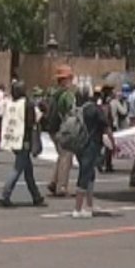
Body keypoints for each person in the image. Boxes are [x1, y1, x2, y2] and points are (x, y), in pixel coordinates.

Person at [0, 81, 46, 208]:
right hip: (23, 139)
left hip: (13, 138)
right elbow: (32, 121)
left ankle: (36, 196)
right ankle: (4, 195)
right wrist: (40, 112)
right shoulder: (27, 104)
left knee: (28, 170)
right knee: (18, 169)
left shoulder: (9, 103)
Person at [73, 86, 115, 219]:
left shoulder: (76, 109)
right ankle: (78, 208)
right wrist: (113, 142)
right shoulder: (95, 109)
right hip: (91, 144)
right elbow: (106, 127)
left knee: (89, 173)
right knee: (85, 174)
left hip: (78, 144)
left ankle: (88, 205)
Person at [46, 65, 77, 198]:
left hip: (52, 129)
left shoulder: (53, 93)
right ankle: (62, 186)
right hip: (63, 129)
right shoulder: (66, 95)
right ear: (65, 80)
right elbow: (71, 113)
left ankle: (54, 181)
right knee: (66, 157)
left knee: (61, 155)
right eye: (70, 78)